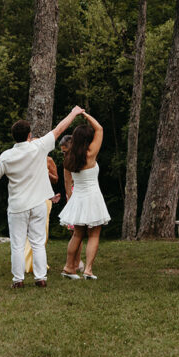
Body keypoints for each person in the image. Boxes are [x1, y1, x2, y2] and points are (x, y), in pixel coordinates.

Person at [0, 105, 84, 288]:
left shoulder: (6, 156)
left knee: (17, 244)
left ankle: (18, 280)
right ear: (29, 135)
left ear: (13, 136)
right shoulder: (38, 147)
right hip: (39, 202)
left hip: (17, 206)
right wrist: (73, 113)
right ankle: (41, 278)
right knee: (38, 242)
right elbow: (59, 129)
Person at [59, 111, 111, 280]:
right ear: (88, 139)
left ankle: (69, 267)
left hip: (78, 198)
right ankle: (88, 269)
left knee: (77, 234)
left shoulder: (69, 158)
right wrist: (86, 115)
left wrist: (70, 198)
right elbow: (100, 129)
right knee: (94, 234)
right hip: (92, 197)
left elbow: (68, 183)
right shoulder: (90, 153)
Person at [23, 153, 60, 274]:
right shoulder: (28, 159)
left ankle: (38, 263)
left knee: (43, 232)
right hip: (29, 197)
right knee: (28, 231)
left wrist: (45, 172)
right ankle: (27, 263)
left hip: (44, 198)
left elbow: (55, 179)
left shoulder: (49, 160)